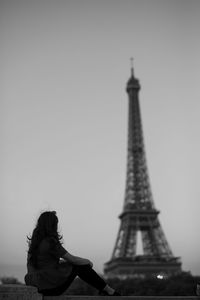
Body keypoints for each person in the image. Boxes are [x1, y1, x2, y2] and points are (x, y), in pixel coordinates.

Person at [24, 211, 120, 296]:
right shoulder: (50, 242)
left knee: (72, 264)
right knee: (79, 266)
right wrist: (88, 261)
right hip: (50, 288)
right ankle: (108, 290)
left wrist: (61, 262)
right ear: (52, 225)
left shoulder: (34, 243)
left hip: (36, 286)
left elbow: (40, 263)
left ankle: (106, 290)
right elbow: (73, 259)